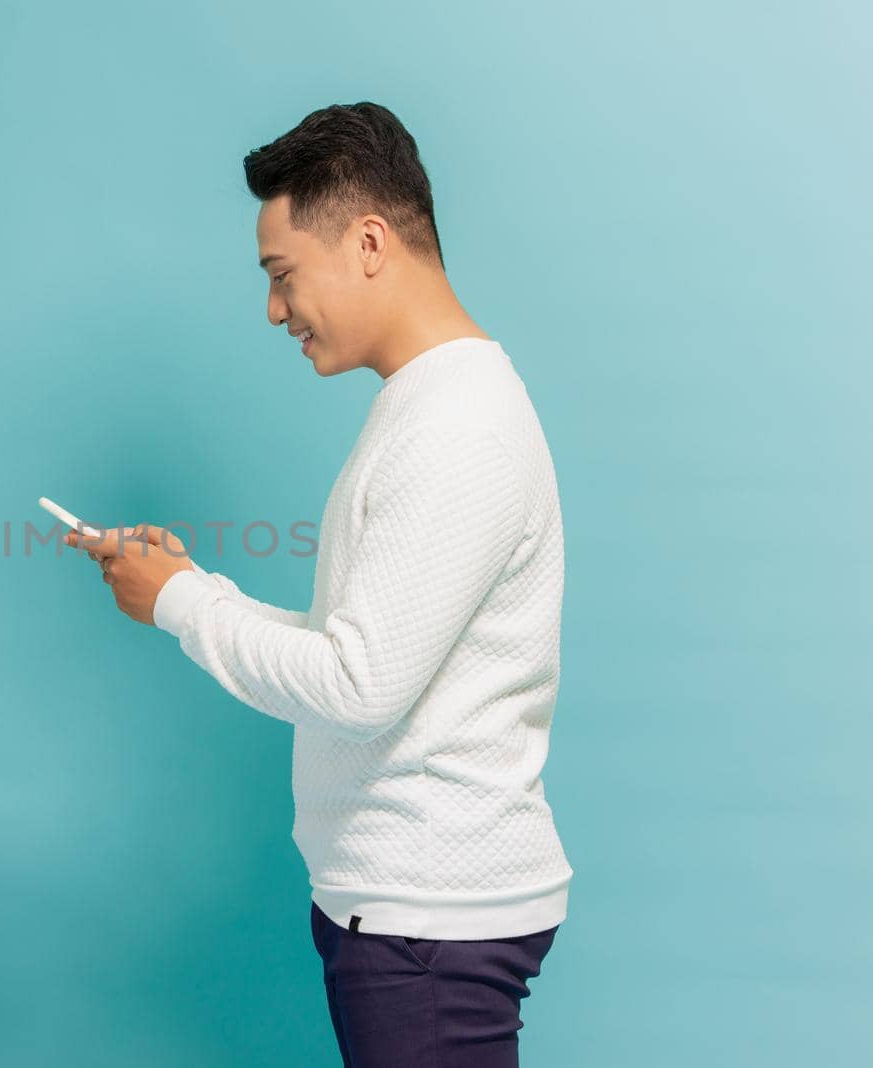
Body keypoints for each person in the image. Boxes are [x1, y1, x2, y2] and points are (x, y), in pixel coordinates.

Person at [67, 103, 571, 1067]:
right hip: (412, 912)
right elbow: (363, 645)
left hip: (430, 919)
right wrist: (190, 585)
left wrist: (178, 604)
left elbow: (358, 685)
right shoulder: (425, 406)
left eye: (281, 274)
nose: (274, 310)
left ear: (370, 242)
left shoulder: (455, 427)